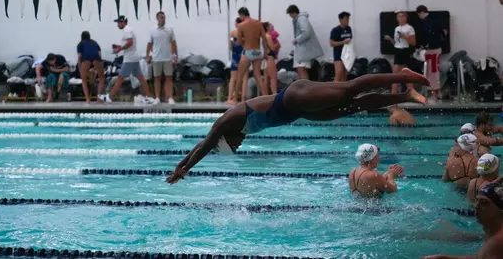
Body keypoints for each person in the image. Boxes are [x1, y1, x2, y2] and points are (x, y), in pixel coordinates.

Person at [166, 68, 430, 184]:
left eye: (233, 145)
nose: (240, 144)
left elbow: (205, 145)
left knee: (350, 90)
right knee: (356, 106)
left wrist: (183, 168)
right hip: (300, 112)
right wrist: (185, 164)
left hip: (294, 96)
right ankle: (405, 95)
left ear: (226, 139)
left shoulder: (228, 122)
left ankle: (403, 75)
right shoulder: (236, 131)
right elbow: (204, 145)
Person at [423, 182, 503, 259]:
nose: (476, 206)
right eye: (477, 200)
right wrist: (445, 258)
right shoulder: (493, 234)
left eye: (484, 202)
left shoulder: (497, 242)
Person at [98, 16, 153, 103]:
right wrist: (119, 46)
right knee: (142, 79)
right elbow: (129, 44)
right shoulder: (129, 30)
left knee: (120, 78)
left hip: (130, 59)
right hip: (134, 58)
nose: (117, 25)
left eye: (118, 23)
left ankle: (110, 97)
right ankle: (149, 97)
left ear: (123, 22)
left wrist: (119, 49)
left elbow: (130, 43)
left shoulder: (127, 30)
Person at [234, 7, 269, 102]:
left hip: (248, 52)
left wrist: (244, 41)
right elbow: (264, 39)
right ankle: (266, 97)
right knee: (257, 75)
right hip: (257, 52)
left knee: (239, 75)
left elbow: (238, 42)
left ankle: (235, 99)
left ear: (241, 15)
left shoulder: (241, 25)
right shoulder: (258, 23)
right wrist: (265, 51)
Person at [416, 5, 447, 102]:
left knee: (431, 72)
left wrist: (422, 46)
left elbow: (427, 36)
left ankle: (434, 93)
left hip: (431, 50)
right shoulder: (436, 20)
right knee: (435, 71)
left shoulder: (426, 22)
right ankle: (438, 92)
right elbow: (443, 33)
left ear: (421, 13)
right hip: (438, 49)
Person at [146, 11, 178, 105]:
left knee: (169, 78)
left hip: (168, 58)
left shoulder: (169, 30)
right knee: (157, 78)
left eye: (164, 17)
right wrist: (148, 55)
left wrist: (175, 55)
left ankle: (170, 97)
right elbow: (149, 44)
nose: (163, 19)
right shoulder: (152, 30)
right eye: (161, 18)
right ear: (157, 19)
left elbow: (173, 43)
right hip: (156, 58)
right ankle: (157, 98)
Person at [286, 5, 323, 80]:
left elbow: (306, 32)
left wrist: (296, 40)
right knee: (301, 71)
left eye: (290, 14)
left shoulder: (301, 19)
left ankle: (305, 90)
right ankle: (304, 89)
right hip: (302, 50)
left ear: (293, 12)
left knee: (301, 71)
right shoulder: (300, 19)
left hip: (303, 51)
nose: (290, 16)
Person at [383, 11, 416, 94]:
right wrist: (390, 39)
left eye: (402, 16)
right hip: (397, 51)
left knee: (399, 74)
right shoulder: (396, 28)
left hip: (404, 51)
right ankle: (399, 93)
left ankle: (395, 93)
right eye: (399, 16)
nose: (401, 18)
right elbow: (396, 43)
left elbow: (413, 42)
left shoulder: (409, 28)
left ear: (406, 18)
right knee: (400, 74)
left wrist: (405, 37)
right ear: (397, 18)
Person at [77, 31, 105, 104]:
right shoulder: (95, 42)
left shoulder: (80, 44)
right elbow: (99, 54)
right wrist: (98, 65)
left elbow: (79, 56)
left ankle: (87, 99)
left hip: (86, 59)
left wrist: (80, 68)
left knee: (84, 80)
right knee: (101, 78)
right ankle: (98, 98)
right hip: (97, 59)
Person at [227, 17, 248, 104]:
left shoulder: (232, 33)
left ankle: (230, 98)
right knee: (244, 78)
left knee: (233, 78)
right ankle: (243, 98)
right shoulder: (245, 34)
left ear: (236, 24)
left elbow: (230, 47)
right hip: (244, 56)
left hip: (235, 56)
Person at [330, 11, 353, 82]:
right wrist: (343, 42)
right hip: (338, 54)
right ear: (340, 20)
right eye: (346, 19)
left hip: (346, 54)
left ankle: (343, 91)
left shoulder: (349, 29)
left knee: (345, 74)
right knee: (339, 74)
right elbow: (331, 43)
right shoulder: (335, 30)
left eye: (348, 19)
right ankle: (332, 91)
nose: (348, 21)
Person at [262, 21, 280, 95]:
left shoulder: (264, 36)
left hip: (266, 58)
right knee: (273, 78)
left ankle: (265, 95)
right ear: (267, 27)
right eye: (270, 25)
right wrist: (277, 44)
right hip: (270, 58)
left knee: (266, 78)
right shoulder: (268, 36)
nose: (272, 26)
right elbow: (272, 48)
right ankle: (274, 94)